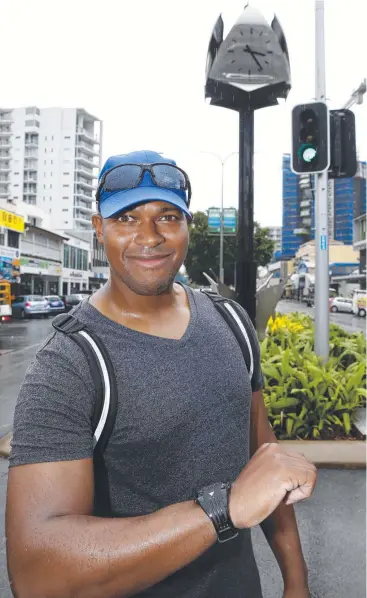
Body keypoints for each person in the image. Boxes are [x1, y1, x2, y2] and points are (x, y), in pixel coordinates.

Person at [6, 150, 317, 598]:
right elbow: (38, 575)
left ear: (190, 225)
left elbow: (260, 451)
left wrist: (296, 581)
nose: (149, 237)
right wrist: (221, 510)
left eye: (167, 216)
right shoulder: (70, 363)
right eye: (127, 218)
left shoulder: (231, 322)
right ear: (99, 229)